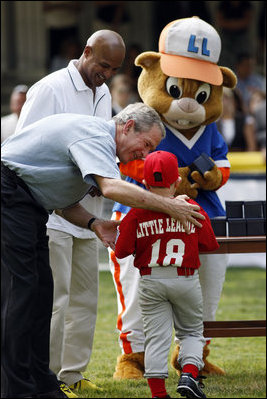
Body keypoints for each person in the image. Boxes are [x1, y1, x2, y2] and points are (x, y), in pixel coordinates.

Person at [1, 102, 205, 399]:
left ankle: (39, 382)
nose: (144, 154)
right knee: (19, 293)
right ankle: (14, 389)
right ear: (128, 126)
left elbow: (61, 200)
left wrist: (95, 222)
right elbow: (112, 188)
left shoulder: (100, 144)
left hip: (27, 204)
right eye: (145, 144)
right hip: (8, 195)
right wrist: (170, 206)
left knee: (41, 293)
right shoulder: (97, 136)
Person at [14, 30, 126, 397]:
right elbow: (24, 147)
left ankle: (73, 373)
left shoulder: (104, 91)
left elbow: (104, 144)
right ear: (86, 52)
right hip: (51, 210)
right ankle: (45, 376)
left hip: (89, 212)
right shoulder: (48, 89)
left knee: (85, 298)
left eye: (113, 69)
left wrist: (101, 174)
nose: (106, 74)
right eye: (103, 65)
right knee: (55, 299)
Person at [115, 151, 219, 399]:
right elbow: (209, 245)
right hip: (185, 278)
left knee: (156, 338)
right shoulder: (191, 207)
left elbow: (121, 251)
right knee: (192, 333)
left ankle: (159, 394)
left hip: (151, 280)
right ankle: (189, 373)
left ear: (145, 183)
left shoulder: (136, 213)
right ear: (176, 182)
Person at [215, 1, 254, 70]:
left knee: (242, 58)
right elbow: (220, 21)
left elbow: (247, 20)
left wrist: (232, 24)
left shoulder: (246, 4)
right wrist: (235, 24)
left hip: (242, 36)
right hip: (226, 36)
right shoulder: (223, 4)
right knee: (225, 58)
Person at [216, 87, 257, 152]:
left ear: (234, 101)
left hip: (242, 160)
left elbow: (251, 147)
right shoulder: (214, 123)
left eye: (226, 98)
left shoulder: (246, 121)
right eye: (220, 99)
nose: (223, 102)